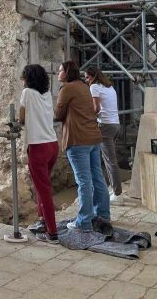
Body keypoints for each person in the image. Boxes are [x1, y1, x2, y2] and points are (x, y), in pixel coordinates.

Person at [54, 61, 110, 232]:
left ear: (67, 72)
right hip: (93, 136)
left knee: (84, 181)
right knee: (97, 177)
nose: (58, 73)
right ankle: (103, 215)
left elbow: (58, 114)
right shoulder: (85, 86)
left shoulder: (67, 88)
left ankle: (84, 222)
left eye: (60, 71)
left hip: (78, 139)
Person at [19, 64, 59, 244]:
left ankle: (52, 233)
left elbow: (20, 118)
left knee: (44, 192)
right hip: (52, 144)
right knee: (43, 187)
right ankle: (43, 220)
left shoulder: (27, 93)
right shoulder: (47, 94)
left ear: (28, 79)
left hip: (38, 147)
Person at [85, 66, 123, 205]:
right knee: (111, 160)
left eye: (88, 77)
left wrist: (87, 117)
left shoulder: (94, 87)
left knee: (110, 161)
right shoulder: (109, 86)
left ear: (93, 77)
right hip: (116, 125)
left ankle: (118, 195)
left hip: (105, 125)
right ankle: (114, 188)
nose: (86, 80)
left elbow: (96, 108)